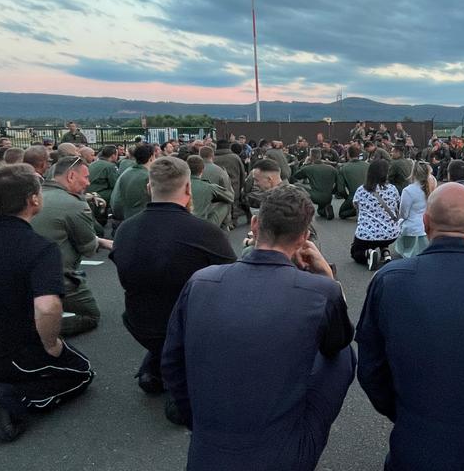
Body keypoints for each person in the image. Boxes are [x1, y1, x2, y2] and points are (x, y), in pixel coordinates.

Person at [161, 185, 355, 470]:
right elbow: (339, 340)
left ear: (254, 224)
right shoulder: (321, 291)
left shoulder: (200, 281)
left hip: (209, 443)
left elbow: (171, 361)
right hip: (284, 452)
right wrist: (327, 278)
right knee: (343, 353)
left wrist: (197, 421)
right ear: (304, 238)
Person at [356, 182, 464, 470]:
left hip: (418, 441)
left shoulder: (390, 280)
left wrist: (403, 412)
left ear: (425, 223)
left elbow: (370, 367)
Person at [0, 165, 94, 442]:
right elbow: (47, 307)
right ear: (33, 200)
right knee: (80, 372)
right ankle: (13, 399)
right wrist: (50, 343)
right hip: (13, 350)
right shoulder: (39, 248)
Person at [112, 158, 235, 414]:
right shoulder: (206, 233)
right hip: (190, 329)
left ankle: (156, 364)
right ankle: (182, 381)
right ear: (189, 189)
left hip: (139, 323)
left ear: (149, 188)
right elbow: (234, 279)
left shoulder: (125, 230)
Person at [31, 156, 114, 336]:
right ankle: (37, 331)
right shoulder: (75, 204)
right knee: (91, 315)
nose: (88, 183)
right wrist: (97, 241)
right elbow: (88, 249)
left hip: (25, 274)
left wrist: (100, 240)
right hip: (57, 277)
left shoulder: (35, 196)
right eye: (85, 177)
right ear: (70, 176)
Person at [351, 159, 401, 270]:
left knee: (355, 252)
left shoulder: (361, 190)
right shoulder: (393, 189)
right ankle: (385, 252)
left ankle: (368, 253)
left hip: (367, 235)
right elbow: (397, 206)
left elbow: (356, 206)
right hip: (391, 234)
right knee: (382, 226)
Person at [393, 161, 435, 258]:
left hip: (412, 230)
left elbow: (403, 214)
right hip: (426, 228)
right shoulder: (431, 188)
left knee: (400, 222)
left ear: (414, 173)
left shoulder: (408, 190)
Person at [111, 144, 156, 225]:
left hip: (119, 218)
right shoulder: (147, 177)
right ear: (151, 157)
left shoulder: (128, 171)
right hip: (137, 221)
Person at [186, 155, 233, 227]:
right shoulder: (209, 187)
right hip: (202, 225)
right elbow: (230, 197)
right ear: (202, 170)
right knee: (225, 203)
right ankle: (224, 229)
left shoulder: (178, 186)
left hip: (182, 222)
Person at [293, 148, 338, 220]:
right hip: (328, 197)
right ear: (320, 156)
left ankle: (303, 210)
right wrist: (332, 192)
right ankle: (325, 209)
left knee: (296, 185)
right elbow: (338, 184)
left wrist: (305, 163)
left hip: (315, 196)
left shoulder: (308, 168)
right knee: (320, 211)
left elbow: (296, 175)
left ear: (310, 156)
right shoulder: (332, 169)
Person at [87, 145, 119, 226]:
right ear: (113, 155)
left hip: (88, 191)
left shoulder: (94, 163)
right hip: (98, 193)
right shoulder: (110, 166)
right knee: (118, 193)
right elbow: (115, 184)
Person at [336, 145, 369, 220]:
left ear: (348, 154)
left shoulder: (343, 168)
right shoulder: (368, 165)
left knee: (342, 213)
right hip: (369, 196)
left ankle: (356, 210)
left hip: (353, 197)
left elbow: (340, 190)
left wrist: (347, 198)